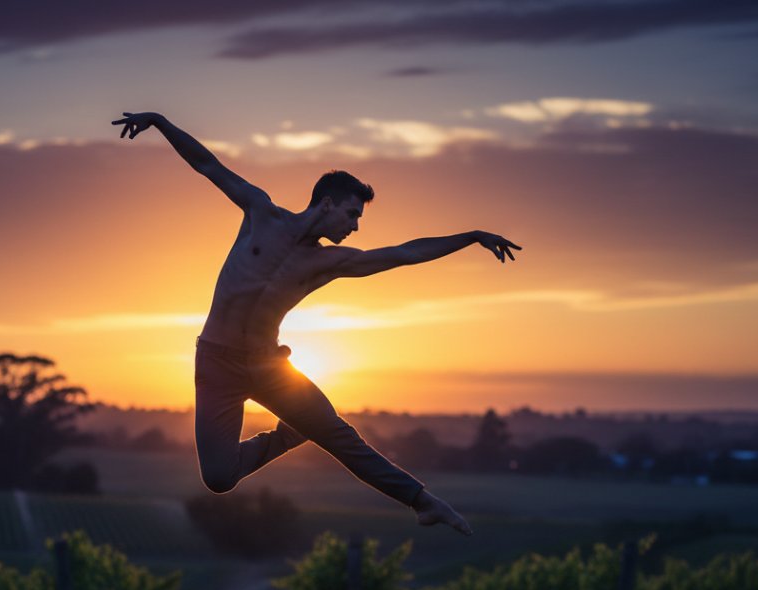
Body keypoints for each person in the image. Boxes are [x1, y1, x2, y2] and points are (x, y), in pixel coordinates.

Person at [113, 111, 521, 535]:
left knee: (342, 439)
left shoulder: (331, 262)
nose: (355, 226)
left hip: (269, 366)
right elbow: (207, 164)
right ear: (326, 203)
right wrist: (160, 121)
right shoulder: (260, 212)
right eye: (351, 214)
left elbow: (405, 252)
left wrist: (471, 236)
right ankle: (291, 434)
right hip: (217, 364)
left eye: (359, 219)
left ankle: (422, 500)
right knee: (218, 478)